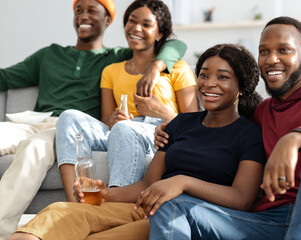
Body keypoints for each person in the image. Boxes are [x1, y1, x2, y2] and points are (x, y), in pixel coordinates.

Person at [7, 43, 266, 240]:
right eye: (204, 74)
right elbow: (147, 184)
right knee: (57, 213)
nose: (209, 83)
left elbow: (242, 198)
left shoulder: (249, 134)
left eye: (222, 77)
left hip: (176, 217)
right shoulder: (180, 124)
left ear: (242, 85)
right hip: (141, 207)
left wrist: (183, 181)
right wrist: (106, 194)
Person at [152, 16, 301, 239]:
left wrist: (295, 139)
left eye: (283, 50)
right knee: (172, 206)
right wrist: (170, 129)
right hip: (271, 222)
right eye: (264, 51)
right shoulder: (262, 112)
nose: (271, 59)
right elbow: (222, 132)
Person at [0, 0, 187, 238]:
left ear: (108, 20)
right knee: (60, 122)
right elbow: (5, 77)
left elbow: (175, 44)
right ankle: (78, 209)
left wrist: (155, 68)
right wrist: (112, 119)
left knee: (38, 147)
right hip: (30, 122)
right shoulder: (51, 54)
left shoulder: (116, 56)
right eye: (78, 10)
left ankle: (86, 214)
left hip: (68, 128)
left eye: (91, 10)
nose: (83, 16)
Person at [55, 0, 198, 202]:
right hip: (119, 131)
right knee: (69, 117)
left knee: (125, 129)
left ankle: (115, 207)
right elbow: (106, 121)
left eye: (146, 24)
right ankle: (77, 204)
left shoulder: (177, 68)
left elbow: (195, 125)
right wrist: (113, 119)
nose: (136, 28)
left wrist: (161, 111)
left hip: (158, 131)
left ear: (159, 34)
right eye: (132, 21)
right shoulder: (110, 70)